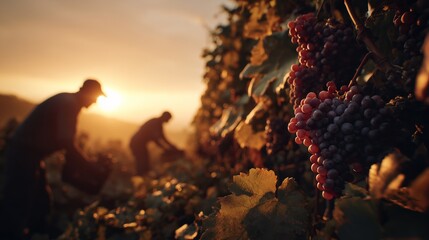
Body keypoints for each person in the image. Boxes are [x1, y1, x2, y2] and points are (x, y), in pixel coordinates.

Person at [0, 79, 105, 239]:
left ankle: (33, 233)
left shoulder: (68, 101)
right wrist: (89, 165)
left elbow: (65, 143)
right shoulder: (68, 104)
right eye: (95, 97)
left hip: (31, 156)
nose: (95, 102)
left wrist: (84, 161)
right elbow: (66, 142)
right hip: (23, 155)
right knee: (17, 201)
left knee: (40, 200)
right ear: (86, 92)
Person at [129, 111, 182, 176]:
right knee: (142, 161)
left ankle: (142, 177)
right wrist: (166, 148)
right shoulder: (155, 123)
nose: (168, 121)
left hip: (139, 144)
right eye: (168, 119)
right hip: (137, 143)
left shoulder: (158, 124)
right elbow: (156, 139)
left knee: (144, 160)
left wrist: (172, 147)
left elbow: (163, 138)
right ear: (165, 117)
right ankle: (140, 178)